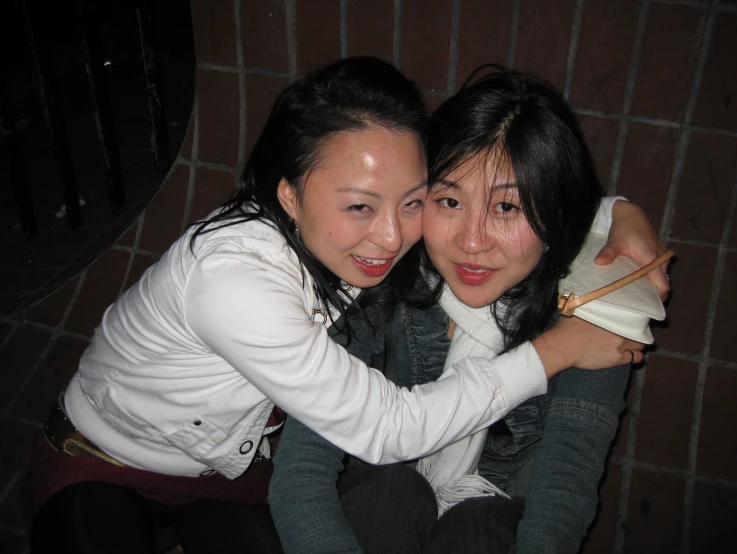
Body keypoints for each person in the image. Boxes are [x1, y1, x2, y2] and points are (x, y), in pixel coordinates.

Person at [23, 57, 648, 554]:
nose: (390, 237)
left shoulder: (386, 245)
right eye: (359, 205)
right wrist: (553, 352)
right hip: (104, 459)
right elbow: (382, 430)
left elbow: (509, 183)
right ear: (290, 196)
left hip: (230, 473)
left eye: (411, 202)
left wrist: (619, 214)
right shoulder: (236, 282)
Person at [267, 65, 670, 553]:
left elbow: (564, 491)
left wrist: (617, 211)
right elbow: (301, 471)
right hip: (374, 502)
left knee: (481, 526)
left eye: (507, 208)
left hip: (494, 515)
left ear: (556, 213)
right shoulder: (386, 274)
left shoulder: (594, 314)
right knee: (392, 492)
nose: (472, 242)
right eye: (450, 201)